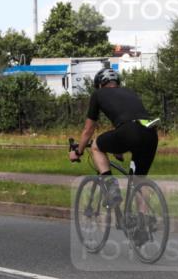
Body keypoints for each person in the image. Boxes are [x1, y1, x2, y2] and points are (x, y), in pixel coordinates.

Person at [68, 67, 159, 205]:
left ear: (99, 84)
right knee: (139, 181)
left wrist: (78, 151)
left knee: (96, 146)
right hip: (150, 132)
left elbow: (88, 129)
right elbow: (128, 125)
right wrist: (118, 149)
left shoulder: (98, 94)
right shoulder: (129, 92)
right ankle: (145, 220)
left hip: (129, 131)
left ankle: (111, 188)